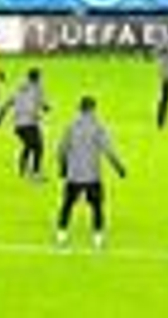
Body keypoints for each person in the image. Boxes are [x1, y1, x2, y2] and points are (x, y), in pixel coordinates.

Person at [56, 96, 127, 249]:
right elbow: (108, 149)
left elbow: (61, 148)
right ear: (92, 109)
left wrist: (62, 167)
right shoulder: (98, 126)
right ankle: (97, 237)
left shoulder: (71, 125)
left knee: (67, 205)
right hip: (92, 176)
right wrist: (119, 167)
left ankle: (62, 234)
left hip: (73, 174)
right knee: (97, 207)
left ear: (80, 108)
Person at [0, 68, 50, 180]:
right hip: (30, 122)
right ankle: (35, 173)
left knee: (30, 145)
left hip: (18, 124)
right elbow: (43, 104)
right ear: (38, 78)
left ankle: (23, 168)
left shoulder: (20, 87)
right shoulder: (38, 88)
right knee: (38, 147)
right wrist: (46, 107)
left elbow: (9, 101)